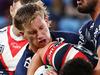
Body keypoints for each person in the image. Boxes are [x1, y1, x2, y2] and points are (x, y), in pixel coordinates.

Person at [12, 3, 98, 75]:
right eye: (33, 32)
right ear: (23, 35)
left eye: (41, 28)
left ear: (46, 21)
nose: (40, 35)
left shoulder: (73, 39)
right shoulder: (22, 70)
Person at [0, 0, 39, 74]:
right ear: (11, 10)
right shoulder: (1, 37)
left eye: (29, 15)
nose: (24, 19)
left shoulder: (39, 41)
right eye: (20, 13)